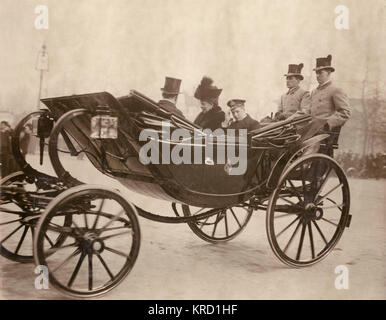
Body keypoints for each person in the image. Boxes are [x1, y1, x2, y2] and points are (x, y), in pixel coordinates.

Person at [303, 54, 352, 156]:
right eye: (316, 73)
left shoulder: (335, 90)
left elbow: (345, 112)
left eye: (320, 72)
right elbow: (307, 111)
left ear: (328, 73)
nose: (317, 75)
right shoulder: (314, 92)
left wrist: (328, 124)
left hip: (323, 134)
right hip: (309, 131)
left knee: (306, 153)